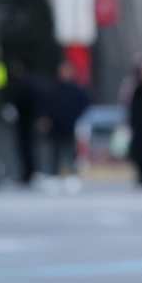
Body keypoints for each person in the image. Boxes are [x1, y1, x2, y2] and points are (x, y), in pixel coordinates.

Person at [43, 62, 91, 191]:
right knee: (55, 152)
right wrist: (47, 119)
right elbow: (47, 106)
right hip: (56, 126)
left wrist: (76, 117)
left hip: (70, 125)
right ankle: (53, 177)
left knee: (71, 153)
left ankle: (72, 178)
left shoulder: (76, 89)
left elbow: (85, 103)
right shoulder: (53, 88)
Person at [6, 61, 42, 184]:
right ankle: (28, 173)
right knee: (26, 149)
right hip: (26, 121)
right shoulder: (28, 84)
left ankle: (28, 174)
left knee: (26, 149)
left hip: (25, 121)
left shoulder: (22, 85)